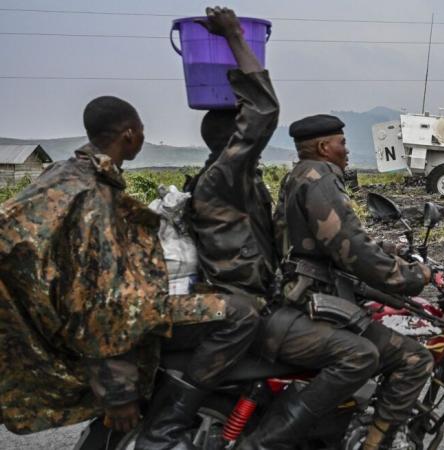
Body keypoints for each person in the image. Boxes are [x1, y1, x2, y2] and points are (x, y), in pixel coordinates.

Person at [0, 91, 263, 450]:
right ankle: (169, 421)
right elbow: (105, 302)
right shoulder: (96, 195)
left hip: (63, 314)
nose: (143, 136)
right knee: (242, 313)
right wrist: (118, 390)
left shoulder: (65, 173)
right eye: (141, 130)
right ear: (128, 134)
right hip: (112, 320)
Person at [186, 8, 385, 450]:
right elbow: (262, 111)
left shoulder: (238, 179)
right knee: (360, 354)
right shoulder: (224, 176)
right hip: (250, 309)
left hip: (256, 301)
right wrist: (236, 38)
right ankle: (270, 442)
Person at [274, 114, 435, 450]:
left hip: (301, 292)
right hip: (316, 299)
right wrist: (410, 277)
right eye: (342, 143)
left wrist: (391, 249)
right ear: (323, 147)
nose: (347, 151)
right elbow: (353, 251)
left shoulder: (299, 176)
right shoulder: (320, 180)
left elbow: (332, 240)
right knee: (414, 359)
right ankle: (374, 444)